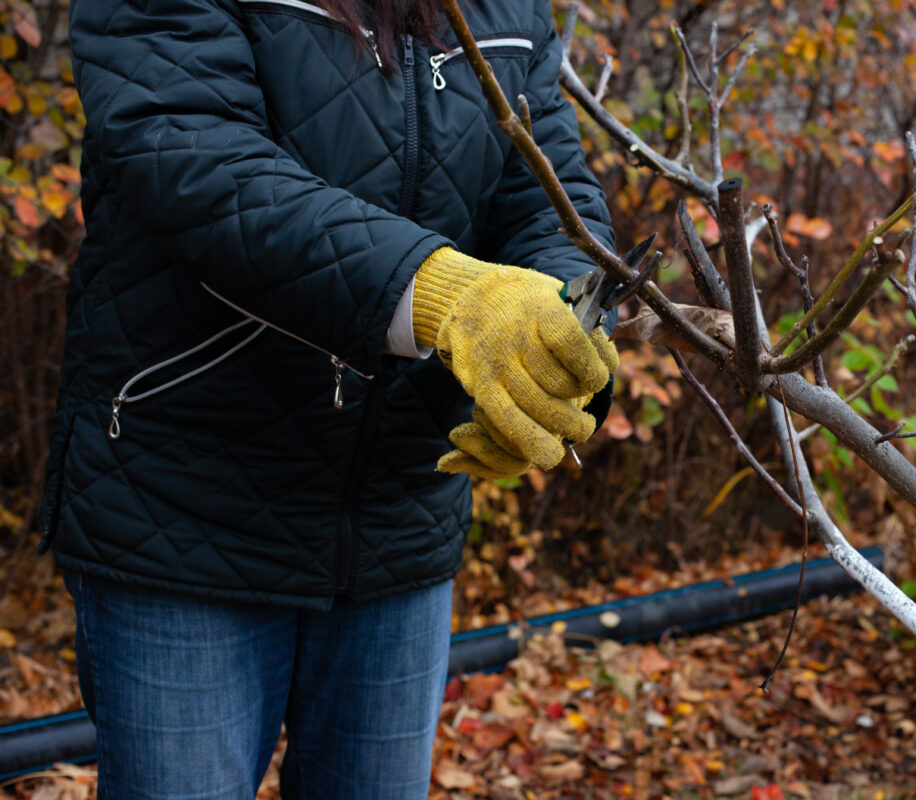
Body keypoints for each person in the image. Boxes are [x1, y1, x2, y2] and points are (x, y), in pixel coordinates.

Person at [40, 0, 618, 796]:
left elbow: (552, 201)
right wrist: (445, 296)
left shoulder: (507, 6)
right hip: (185, 515)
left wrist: (559, 343)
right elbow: (202, 169)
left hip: (399, 517)